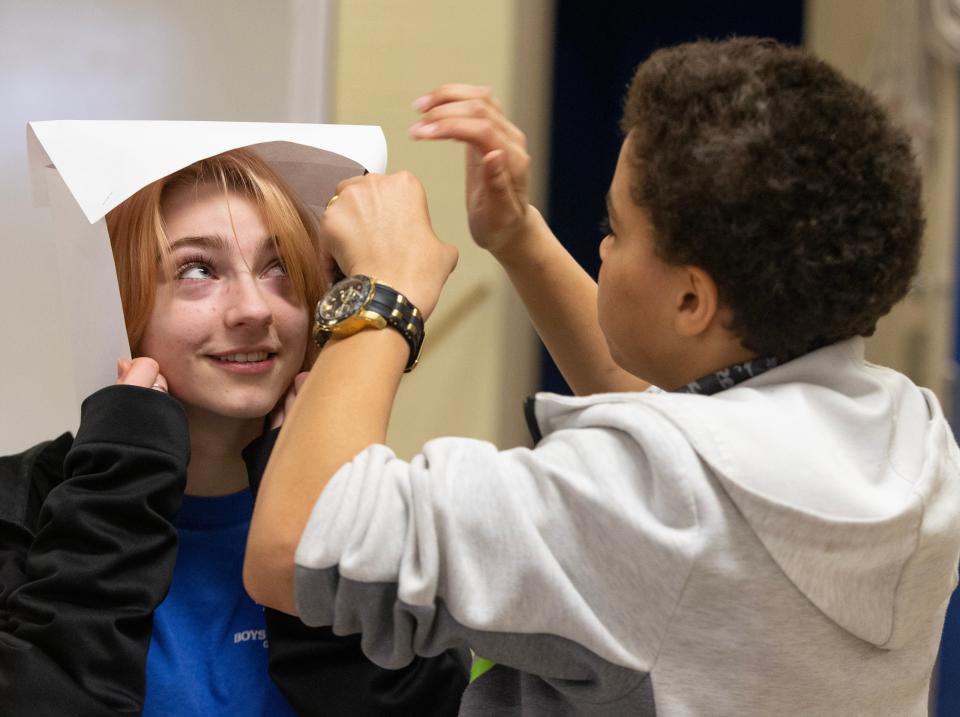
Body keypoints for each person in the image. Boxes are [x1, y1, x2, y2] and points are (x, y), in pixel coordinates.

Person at [245, 37, 960, 716]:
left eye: (614, 227)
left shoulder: (651, 506)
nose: (602, 246)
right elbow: (689, 437)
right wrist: (518, 236)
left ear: (691, 299)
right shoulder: (915, 437)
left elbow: (296, 544)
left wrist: (381, 289)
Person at [0, 148, 468, 716]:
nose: (253, 309)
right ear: (121, 305)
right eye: (197, 270)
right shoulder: (15, 510)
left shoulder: (392, 514)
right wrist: (119, 487)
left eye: (279, 270)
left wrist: (309, 491)